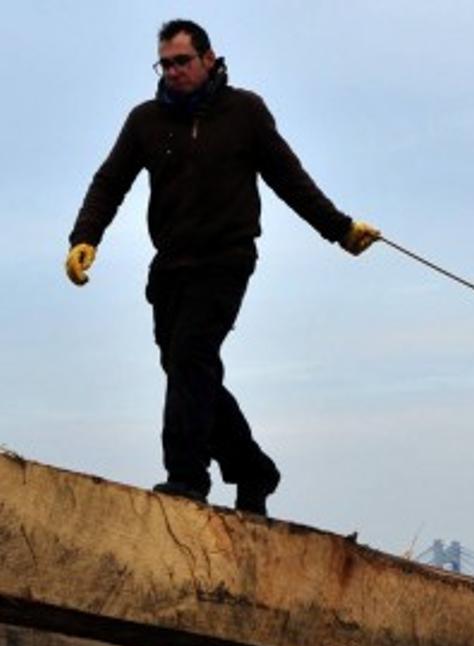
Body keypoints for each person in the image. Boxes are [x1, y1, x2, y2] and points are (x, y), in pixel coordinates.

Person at [64, 19, 379, 517]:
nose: (173, 72)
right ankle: (252, 469)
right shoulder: (145, 121)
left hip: (226, 261)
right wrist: (85, 238)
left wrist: (340, 230)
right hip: (170, 266)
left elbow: (288, 178)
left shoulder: (245, 112)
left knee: (190, 357)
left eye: (182, 61)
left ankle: (186, 479)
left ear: (208, 59)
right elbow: (109, 181)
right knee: (188, 370)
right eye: (164, 64)